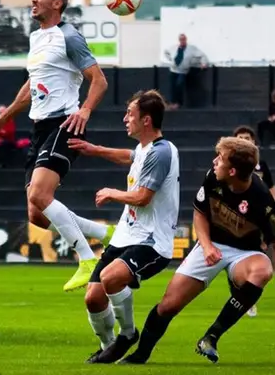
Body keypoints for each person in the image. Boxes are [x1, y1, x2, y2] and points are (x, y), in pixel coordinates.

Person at [0, 0, 112, 291]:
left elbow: (99, 80)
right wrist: (0, 120)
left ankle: (87, 258)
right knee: (36, 214)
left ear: (57, 4)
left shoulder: (69, 36)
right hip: (39, 127)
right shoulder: (36, 39)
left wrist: (84, 111)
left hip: (64, 123)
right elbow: (30, 87)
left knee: (39, 195)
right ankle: (103, 233)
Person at [121, 137, 275, 365]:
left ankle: (211, 337)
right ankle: (140, 355)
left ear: (232, 171)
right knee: (168, 305)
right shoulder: (213, 177)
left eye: (219, 159)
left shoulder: (262, 200)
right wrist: (207, 244)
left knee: (262, 271)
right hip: (210, 244)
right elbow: (199, 213)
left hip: (245, 253)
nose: (214, 161)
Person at [67, 90, 178, 364]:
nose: (125, 118)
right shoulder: (145, 149)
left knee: (111, 278)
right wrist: (95, 150)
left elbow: (142, 197)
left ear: (147, 120)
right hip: (125, 235)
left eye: (130, 113)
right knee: (93, 298)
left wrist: (111, 193)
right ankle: (107, 345)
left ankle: (127, 334)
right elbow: (127, 156)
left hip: (151, 242)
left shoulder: (162, 152)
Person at [231, 125, 275, 317]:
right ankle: (240, 297)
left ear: (254, 142)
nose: (244, 141)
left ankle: (248, 299)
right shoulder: (228, 164)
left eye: (247, 138)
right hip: (233, 218)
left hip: (255, 218)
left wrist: (271, 206)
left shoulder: (261, 165)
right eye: (240, 137)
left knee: (256, 255)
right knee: (233, 259)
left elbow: (272, 187)